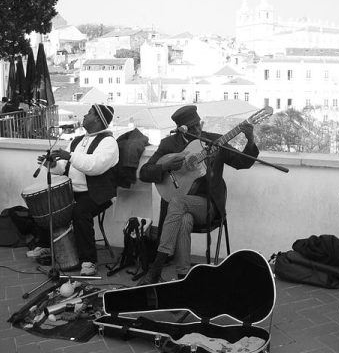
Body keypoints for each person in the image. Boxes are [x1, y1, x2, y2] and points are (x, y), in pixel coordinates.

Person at [138, 105, 259, 284]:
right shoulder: (169, 145)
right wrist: (166, 166)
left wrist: (250, 140)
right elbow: (144, 173)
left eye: (198, 125)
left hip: (208, 206)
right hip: (179, 209)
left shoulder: (214, 142)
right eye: (191, 127)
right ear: (181, 129)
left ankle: (156, 268)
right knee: (184, 219)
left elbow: (243, 162)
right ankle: (184, 278)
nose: (197, 130)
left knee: (178, 202)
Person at [38, 104, 119, 276]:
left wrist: (70, 156)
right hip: (73, 192)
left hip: (98, 194)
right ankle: (49, 248)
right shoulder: (77, 140)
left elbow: (95, 166)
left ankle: (89, 261)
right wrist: (51, 164)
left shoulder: (108, 142)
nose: (85, 115)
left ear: (98, 119)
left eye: (89, 113)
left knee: (80, 212)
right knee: (48, 205)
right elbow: (62, 167)